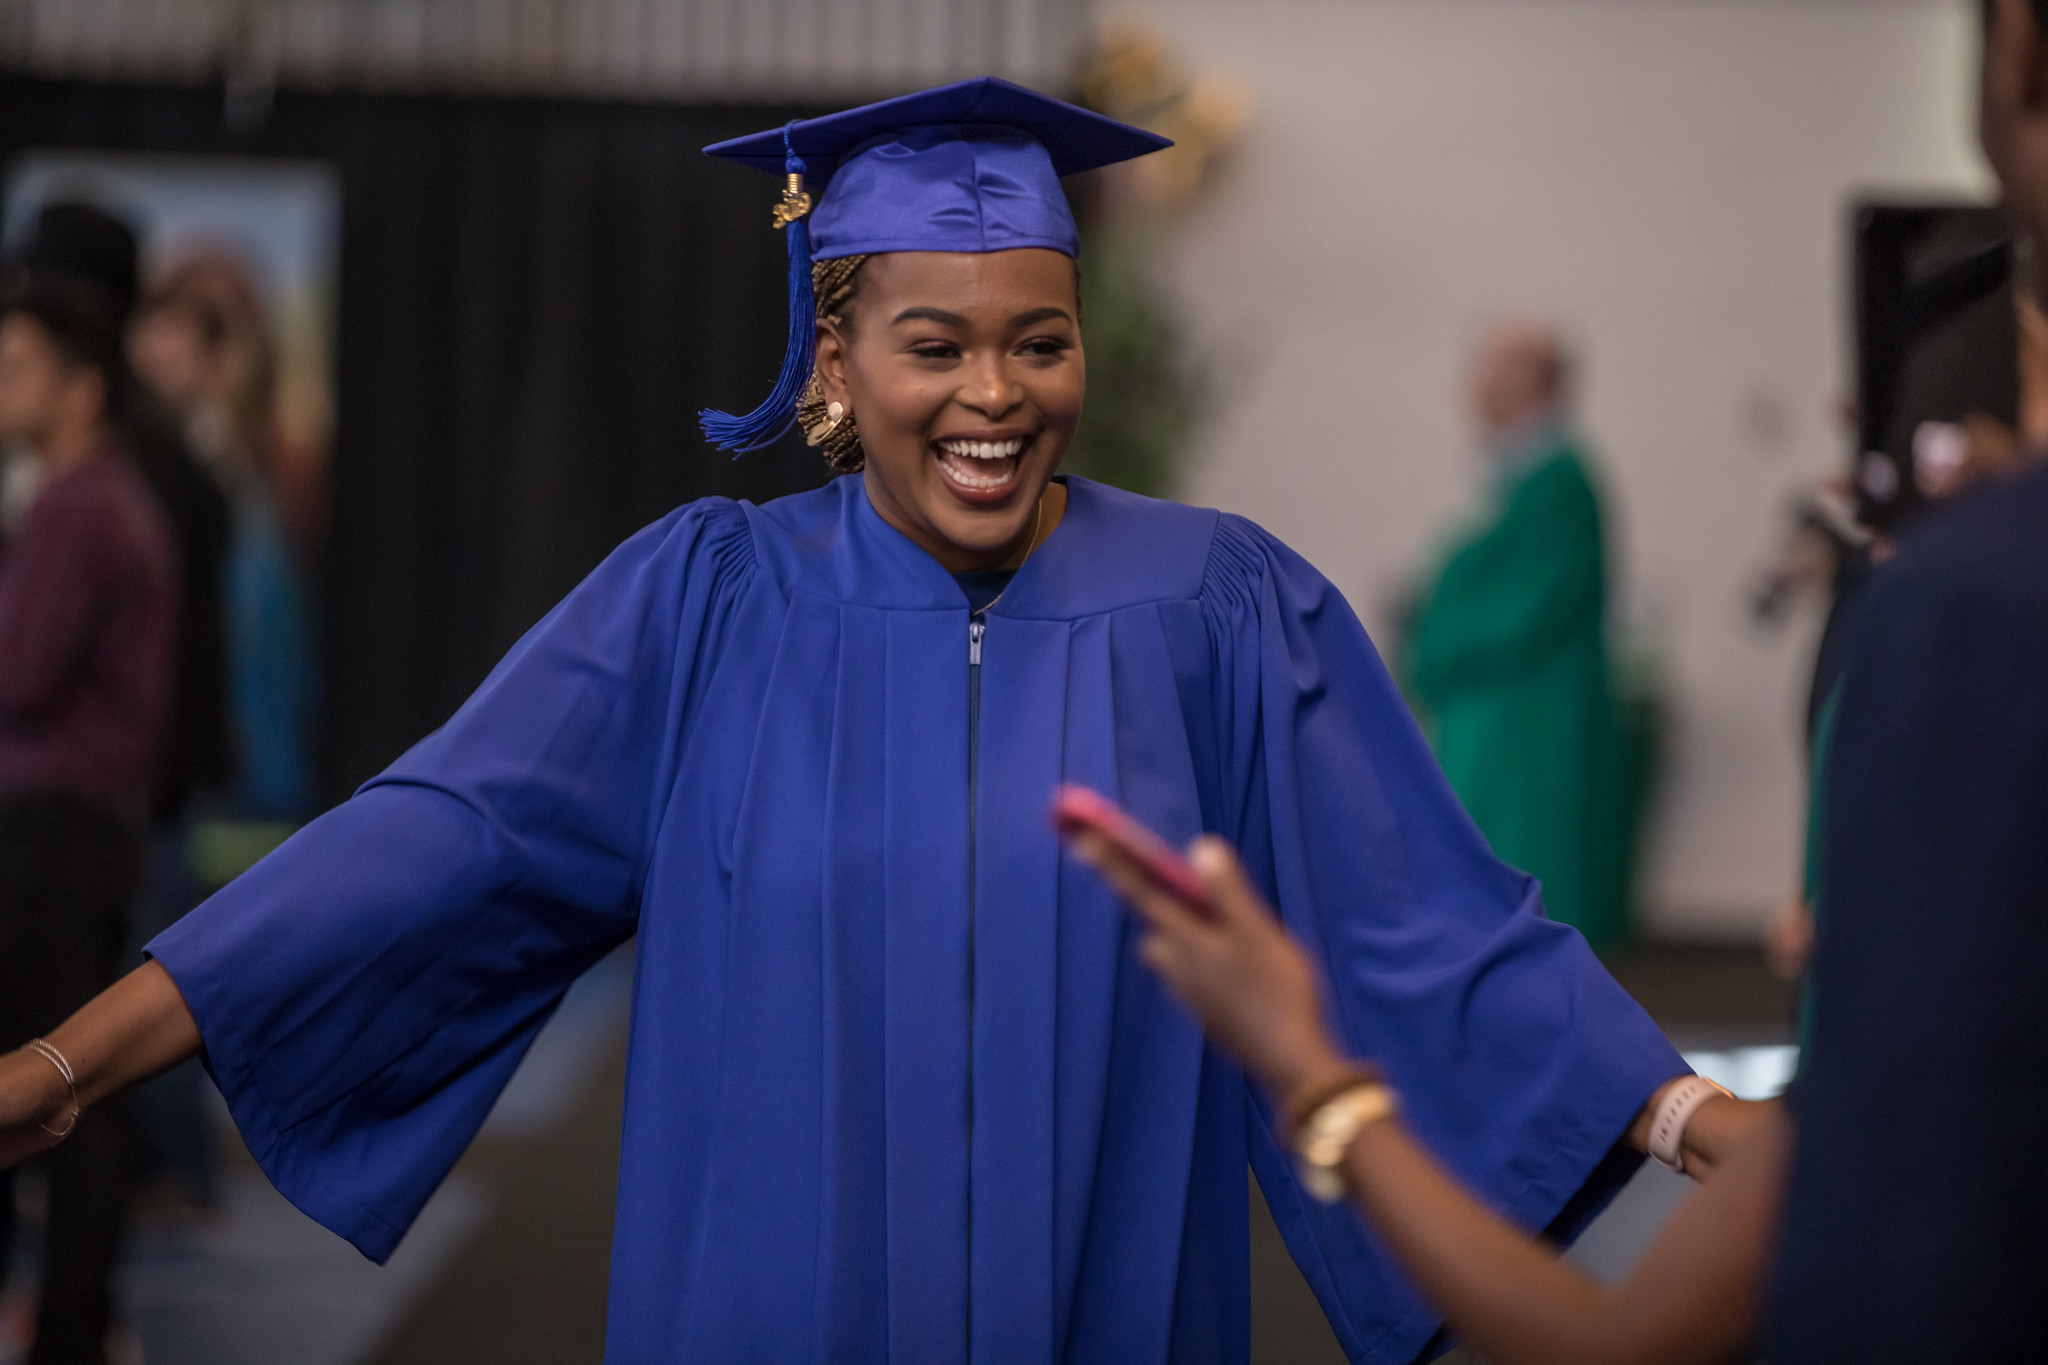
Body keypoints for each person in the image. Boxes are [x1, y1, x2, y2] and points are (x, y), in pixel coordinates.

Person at [0, 81, 1752, 1363]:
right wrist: (72, 1062)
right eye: (936, 343)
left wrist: (1684, 1124)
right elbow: (432, 839)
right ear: (832, 365)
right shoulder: (705, 605)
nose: (995, 394)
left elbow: (1422, 918)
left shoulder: (1219, 609)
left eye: (1039, 342)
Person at [1073, 5, 2048, 1361]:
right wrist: (1684, 1113)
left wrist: (1316, 1078)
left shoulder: (1973, 623)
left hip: (1525, 723)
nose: (1798, 934)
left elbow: (1613, 1338)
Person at [0, 270, 178, 1365]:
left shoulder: (80, 505)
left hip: (49, 838)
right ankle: (73, 1316)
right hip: (71, 830)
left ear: (78, 390)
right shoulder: (92, 497)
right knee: (69, 1086)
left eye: (14, 369)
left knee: (59, 1088)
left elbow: (17, 674)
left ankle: (70, 1322)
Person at [1405, 324, 1632, 950]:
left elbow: (1521, 609)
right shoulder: (1524, 479)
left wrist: (1442, 628)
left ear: (1532, 386)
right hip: (1502, 712)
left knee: (1524, 876)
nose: (1474, 388)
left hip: (1529, 726)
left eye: (1491, 373)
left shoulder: (1560, 484)